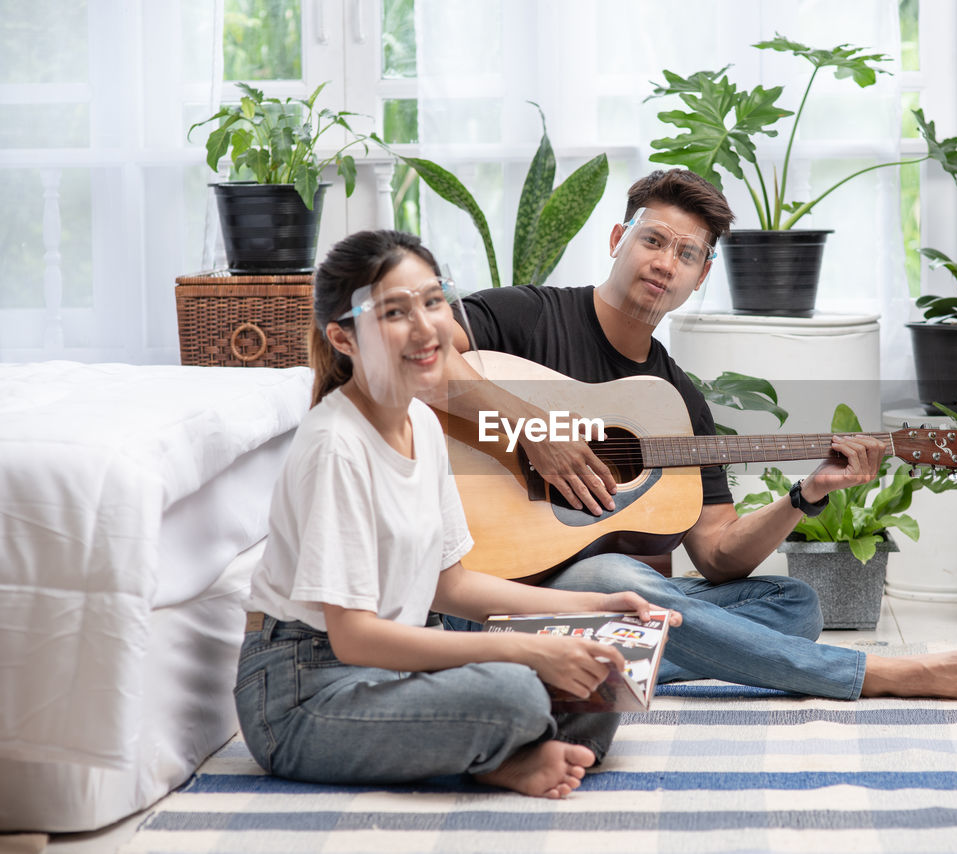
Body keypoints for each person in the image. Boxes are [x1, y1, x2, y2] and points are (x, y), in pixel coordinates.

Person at [438, 169, 957, 703]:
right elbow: (418, 358)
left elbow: (717, 557)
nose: (666, 263)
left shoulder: (676, 403)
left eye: (686, 254)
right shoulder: (529, 316)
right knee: (613, 574)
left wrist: (807, 495)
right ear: (618, 238)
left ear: (702, 274)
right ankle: (872, 674)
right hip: (491, 586)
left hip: (591, 603)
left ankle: (579, 658)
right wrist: (534, 426)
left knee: (795, 604)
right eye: (654, 240)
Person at [233, 229, 679, 799]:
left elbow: (453, 585)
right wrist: (526, 647)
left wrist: (594, 606)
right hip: (307, 691)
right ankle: (502, 753)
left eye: (433, 300)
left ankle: (512, 750)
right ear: (344, 338)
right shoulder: (335, 445)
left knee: (596, 672)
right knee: (516, 690)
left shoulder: (420, 421)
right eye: (394, 312)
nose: (426, 328)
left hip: (400, 672)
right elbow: (354, 640)